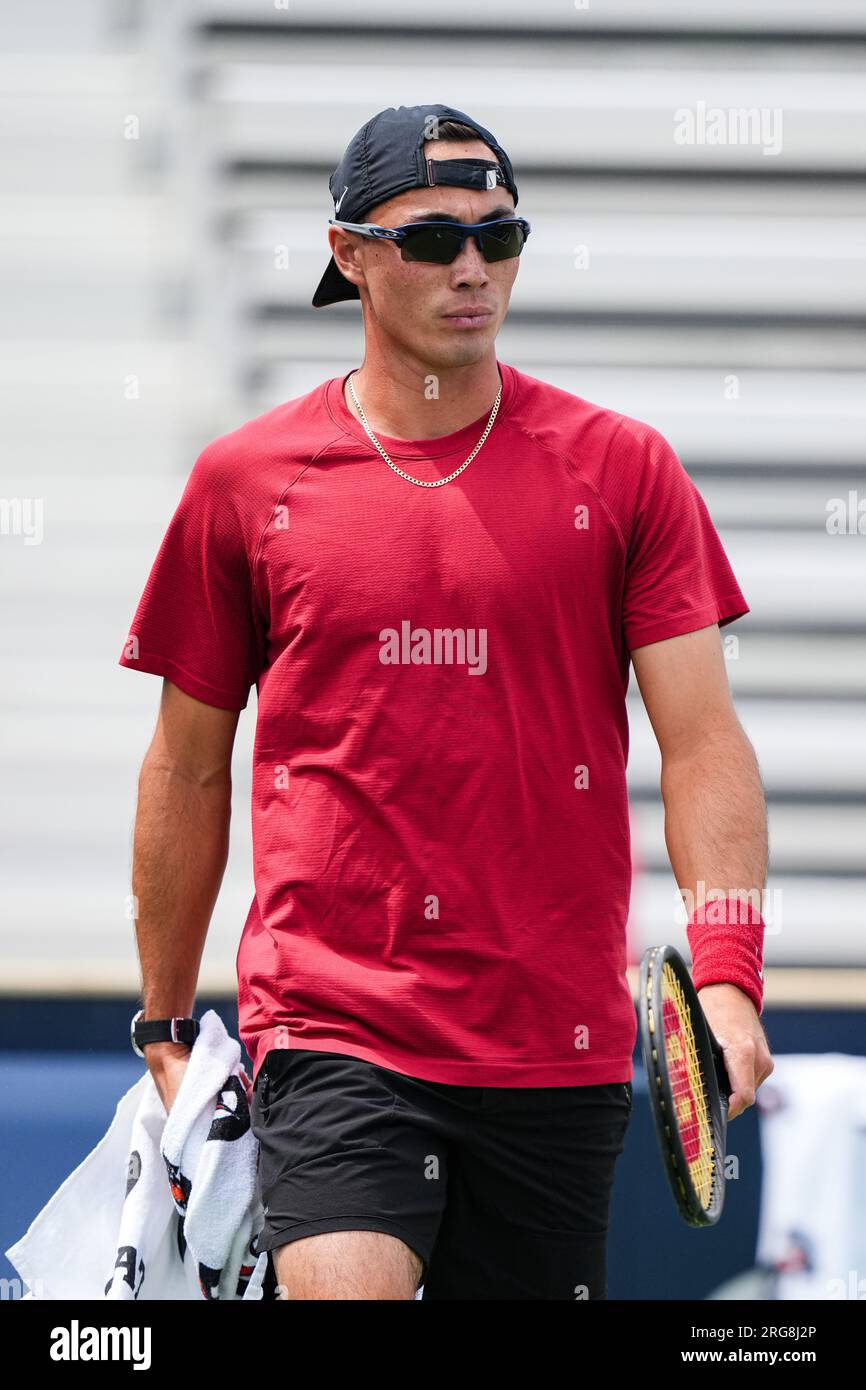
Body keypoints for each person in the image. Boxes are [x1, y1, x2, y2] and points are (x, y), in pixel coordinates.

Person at [119, 103, 774, 1300]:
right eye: (429, 240)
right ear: (348, 252)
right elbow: (186, 766)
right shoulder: (244, 483)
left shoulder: (624, 469)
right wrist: (163, 1024)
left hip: (556, 1046)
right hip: (332, 1031)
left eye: (498, 234)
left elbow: (700, 743)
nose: (471, 267)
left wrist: (725, 968)